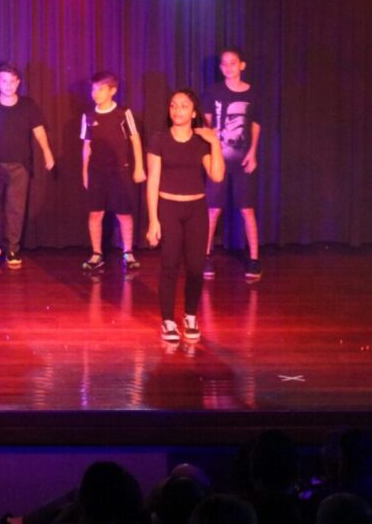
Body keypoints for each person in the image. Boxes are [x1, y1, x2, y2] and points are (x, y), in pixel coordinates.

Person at [145, 89, 224, 342]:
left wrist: (215, 142)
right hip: (168, 208)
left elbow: (217, 175)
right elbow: (152, 181)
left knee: (196, 268)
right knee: (169, 265)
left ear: (193, 112)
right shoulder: (159, 139)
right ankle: (168, 321)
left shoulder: (201, 141)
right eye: (173, 105)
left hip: (196, 210)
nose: (177, 110)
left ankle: (190, 316)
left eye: (184, 106)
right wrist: (153, 220)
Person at [0, 63, 55, 269]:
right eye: (4, 81)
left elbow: (39, 130)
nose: (8, 85)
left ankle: (12, 249)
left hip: (20, 166)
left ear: (18, 83)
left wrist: (47, 152)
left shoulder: (28, 105)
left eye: (13, 81)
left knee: (16, 210)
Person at [202, 47, 263, 281]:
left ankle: (254, 259)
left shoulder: (253, 93)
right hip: (218, 160)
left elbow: (255, 124)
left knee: (247, 209)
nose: (228, 67)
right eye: (224, 63)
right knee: (213, 209)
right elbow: (206, 125)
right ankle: (206, 256)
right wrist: (211, 152)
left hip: (242, 161)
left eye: (233, 63)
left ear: (242, 65)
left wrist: (253, 152)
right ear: (220, 67)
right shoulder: (213, 91)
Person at [80, 71, 146, 273]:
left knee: (124, 213)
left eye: (101, 89)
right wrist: (85, 172)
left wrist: (139, 167)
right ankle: (96, 254)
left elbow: (135, 139)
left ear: (113, 91)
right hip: (97, 172)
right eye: (93, 89)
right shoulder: (88, 116)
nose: (96, 93)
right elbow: (86, 146)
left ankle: (128, 253)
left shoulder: (123, 114)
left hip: (120, 172)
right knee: (95, 213)